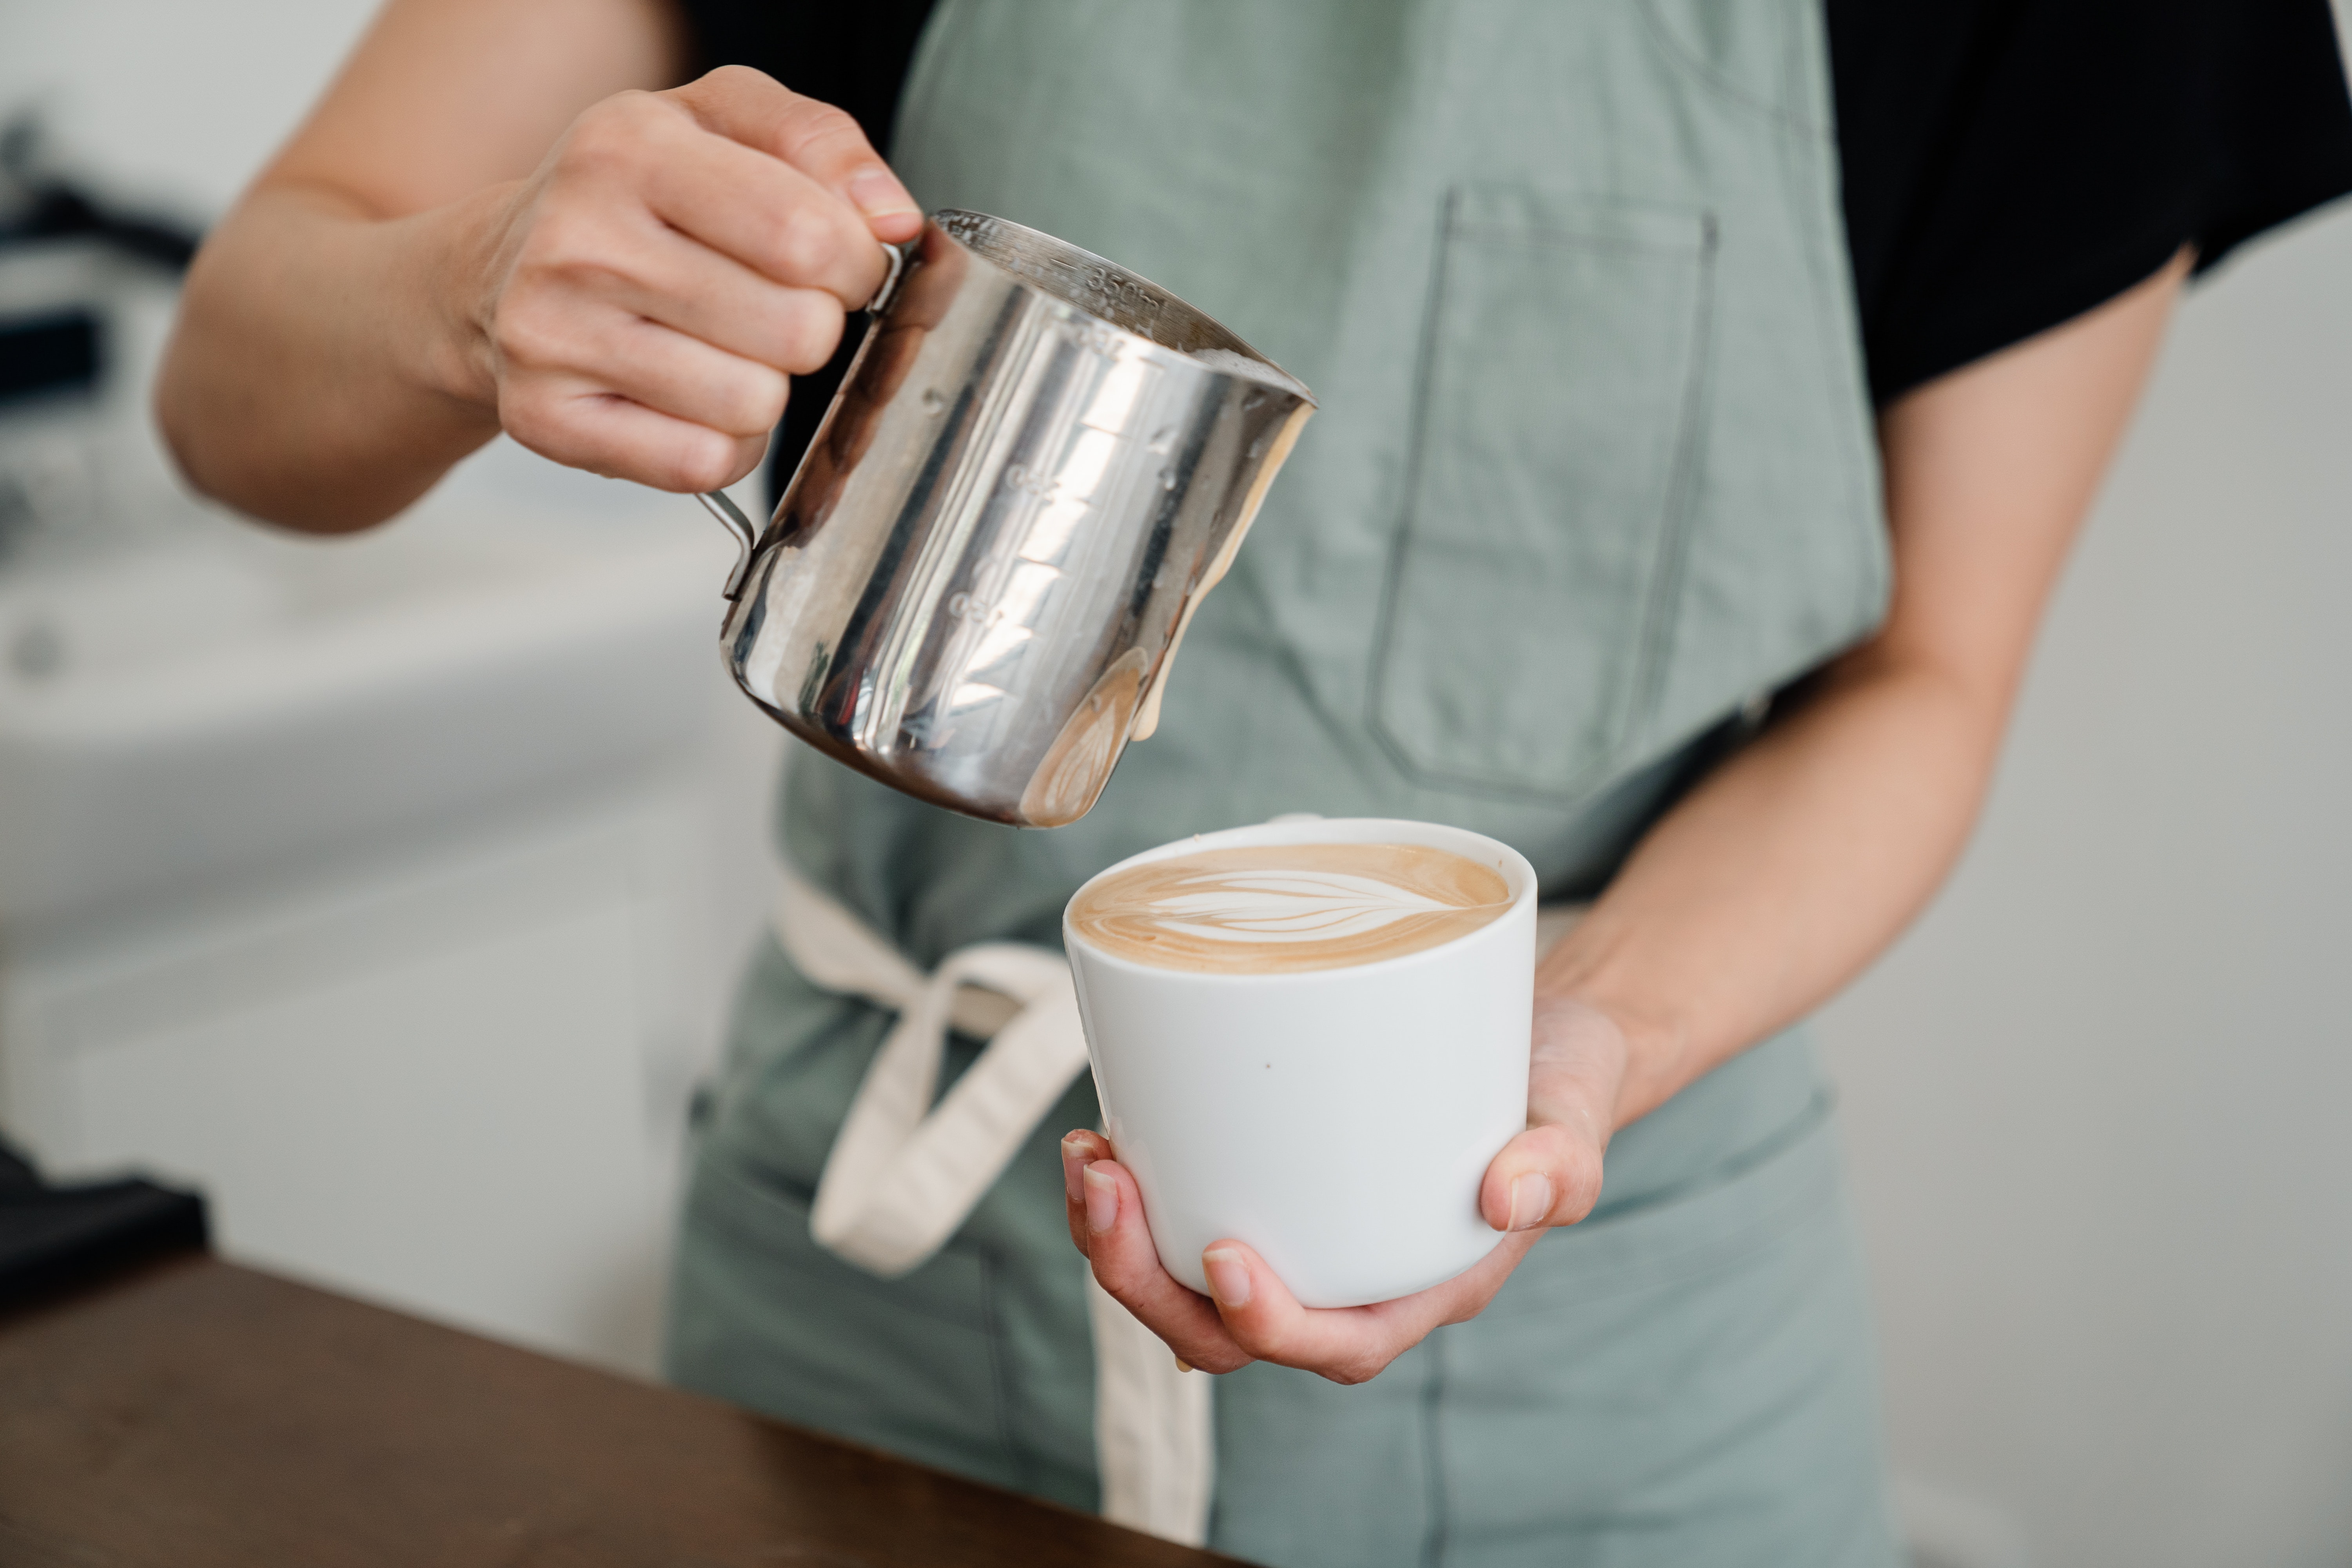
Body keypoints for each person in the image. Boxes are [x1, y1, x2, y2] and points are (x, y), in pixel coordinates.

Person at [157, 2, 2352, 1563]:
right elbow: (233, 377)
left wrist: (1571, 1052)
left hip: (1617, 1357)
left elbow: (1931, 680)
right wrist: (462, 289)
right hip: (865, 1324)